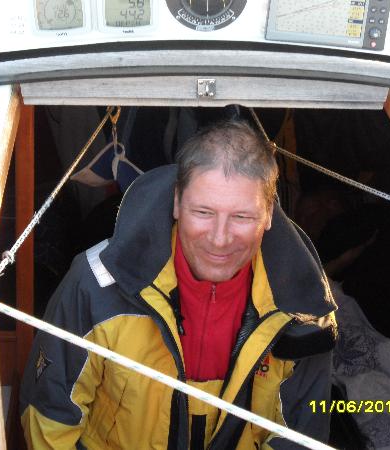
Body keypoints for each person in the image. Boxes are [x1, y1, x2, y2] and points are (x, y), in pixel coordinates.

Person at [20, 120, 337, 449]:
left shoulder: (304, 310)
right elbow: (50, 421)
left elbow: (302, 437)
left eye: (241, 217)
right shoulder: (96, 286)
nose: (219, 239)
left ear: (269, 214)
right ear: (177, 203)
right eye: (203, 212)